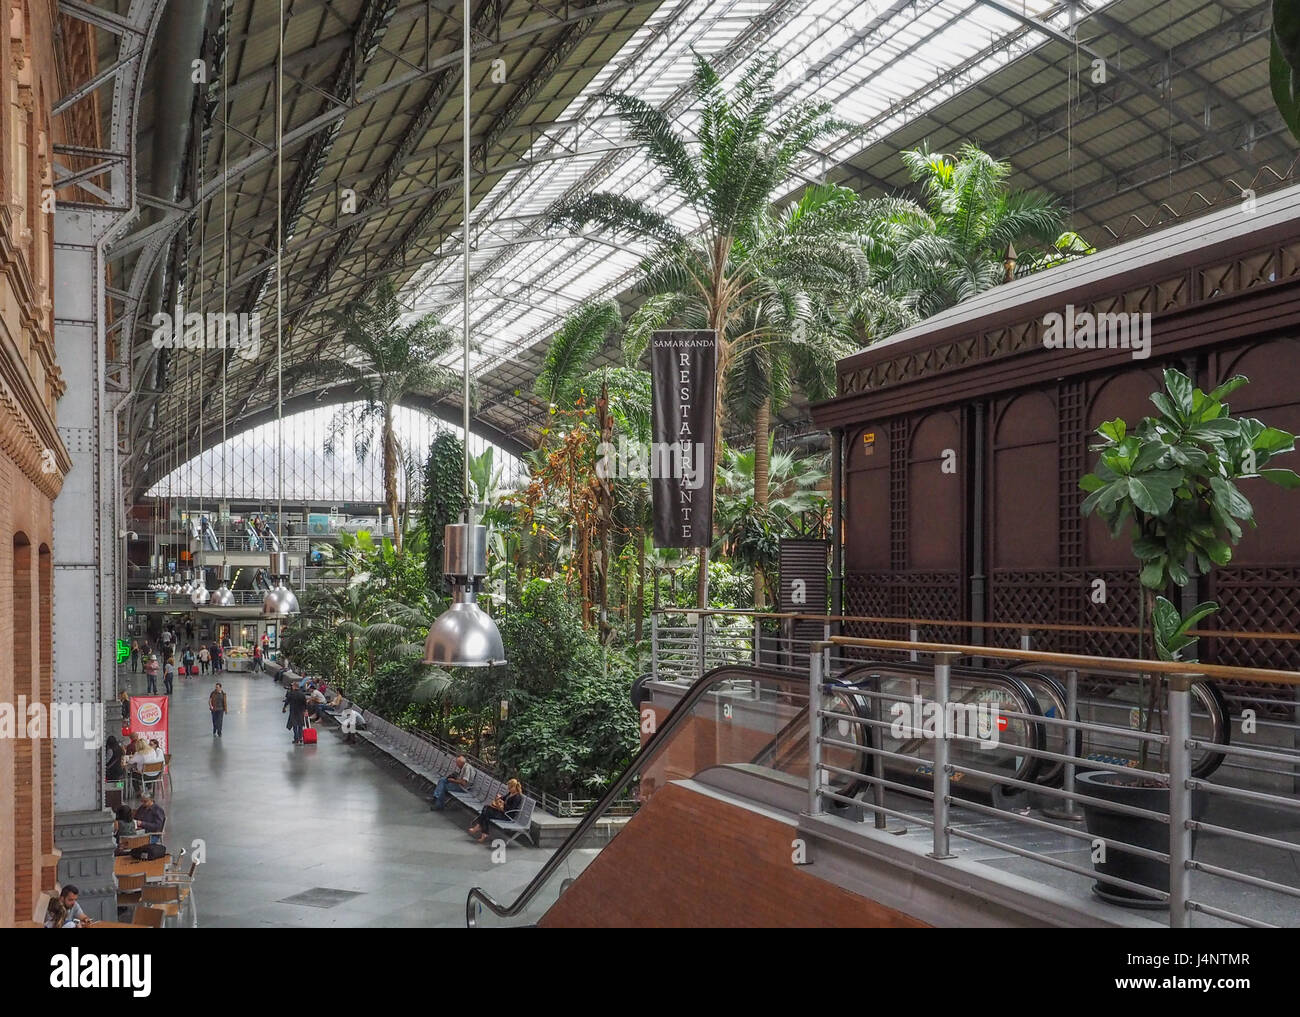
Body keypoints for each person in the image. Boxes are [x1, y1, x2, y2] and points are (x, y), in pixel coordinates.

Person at [468, 778, 524, 844]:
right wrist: (499, 797)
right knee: (486, 808)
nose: (509, 789)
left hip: (507, 815)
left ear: (514, 787)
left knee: (487, 812)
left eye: (510, 788)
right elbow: (503, 798)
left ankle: (479, 828)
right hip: (501, 811)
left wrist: (503, 803)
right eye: (508, 788)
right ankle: (483, 832)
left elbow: (511, 809)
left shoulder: (518, 797)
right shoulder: (510, 793)